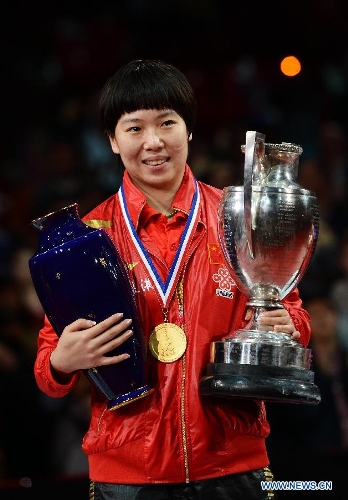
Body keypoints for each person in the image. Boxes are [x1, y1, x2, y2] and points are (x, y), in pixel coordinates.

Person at [33, 59, 312, 500]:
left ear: (190, 130)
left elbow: (290, 308)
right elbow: (48, 365)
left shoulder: (238, 218)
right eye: (135, 128)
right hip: (127, 472)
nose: (154, 142)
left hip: (231, 462)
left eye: (167, 123)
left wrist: (289, 327)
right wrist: (61, 362)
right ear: (111, 140)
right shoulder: (85, 240)